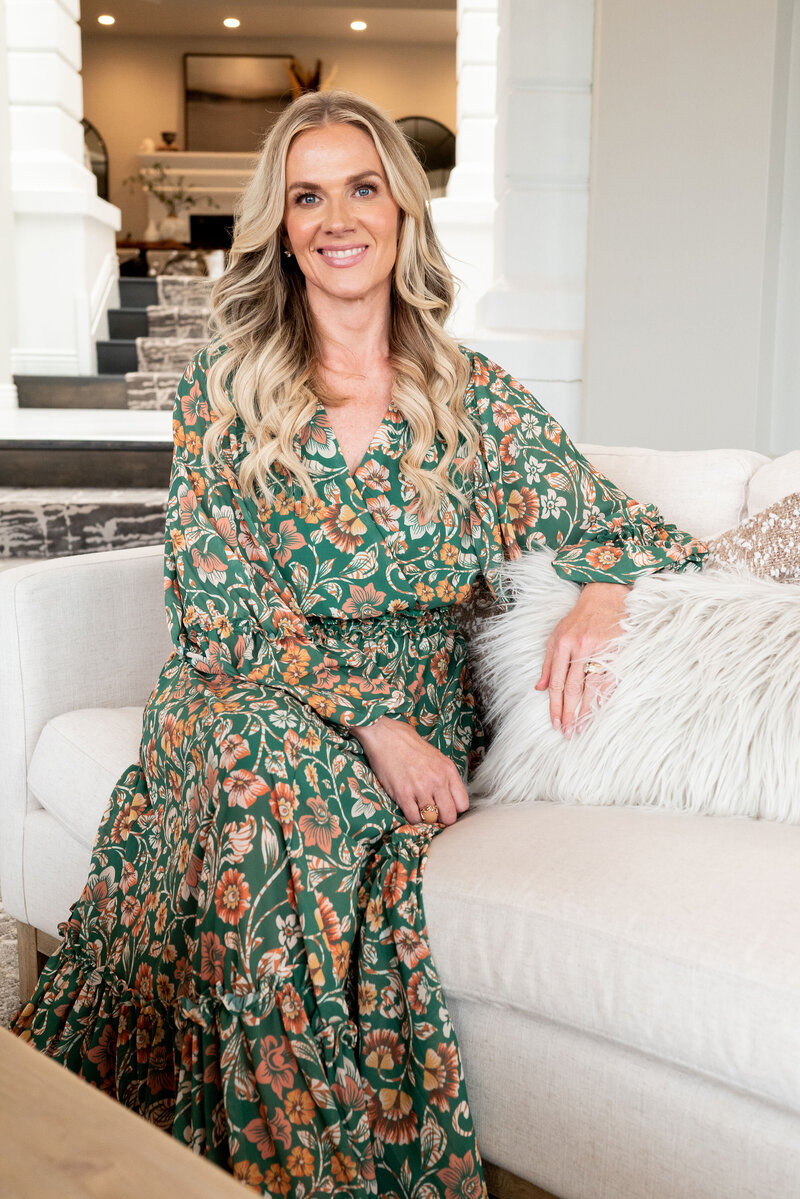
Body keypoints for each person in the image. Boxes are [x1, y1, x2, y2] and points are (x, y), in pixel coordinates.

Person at [10, 91, 707, 1196]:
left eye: (361, 186)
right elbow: (214, 606)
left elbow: (635, 532)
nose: (337, 216)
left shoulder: (472, 400)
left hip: (419, 708)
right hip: (244, 690)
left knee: (265, 780)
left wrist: (603, 591)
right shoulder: (223, 393)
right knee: (256, 757)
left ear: (400, 212)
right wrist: (369, 725)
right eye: (306, 195)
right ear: (281, 228)